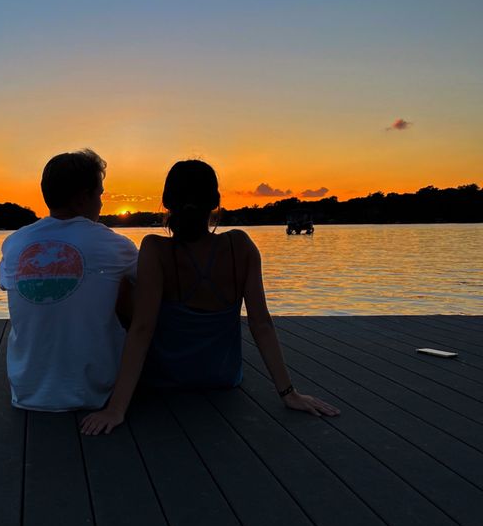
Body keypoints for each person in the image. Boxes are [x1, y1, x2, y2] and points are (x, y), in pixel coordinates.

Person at [81, 159, 340, 435]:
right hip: (221, 377)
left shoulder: (156, 249)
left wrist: (116, 408)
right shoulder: (240, 246)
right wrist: (289, 393)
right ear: (214, 202)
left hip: (163, 378)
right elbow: (261, 324)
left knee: (122, 288)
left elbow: (142, 328)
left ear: (167, 202)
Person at [0, 148, 138, 411]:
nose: (101, 203)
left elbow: (6, 283)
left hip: (26, 392)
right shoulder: (113, 245)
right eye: (99, 194)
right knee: (126, 282)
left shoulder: (15, 242)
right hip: (95, 394)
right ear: (83, 199)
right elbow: (154, 289)